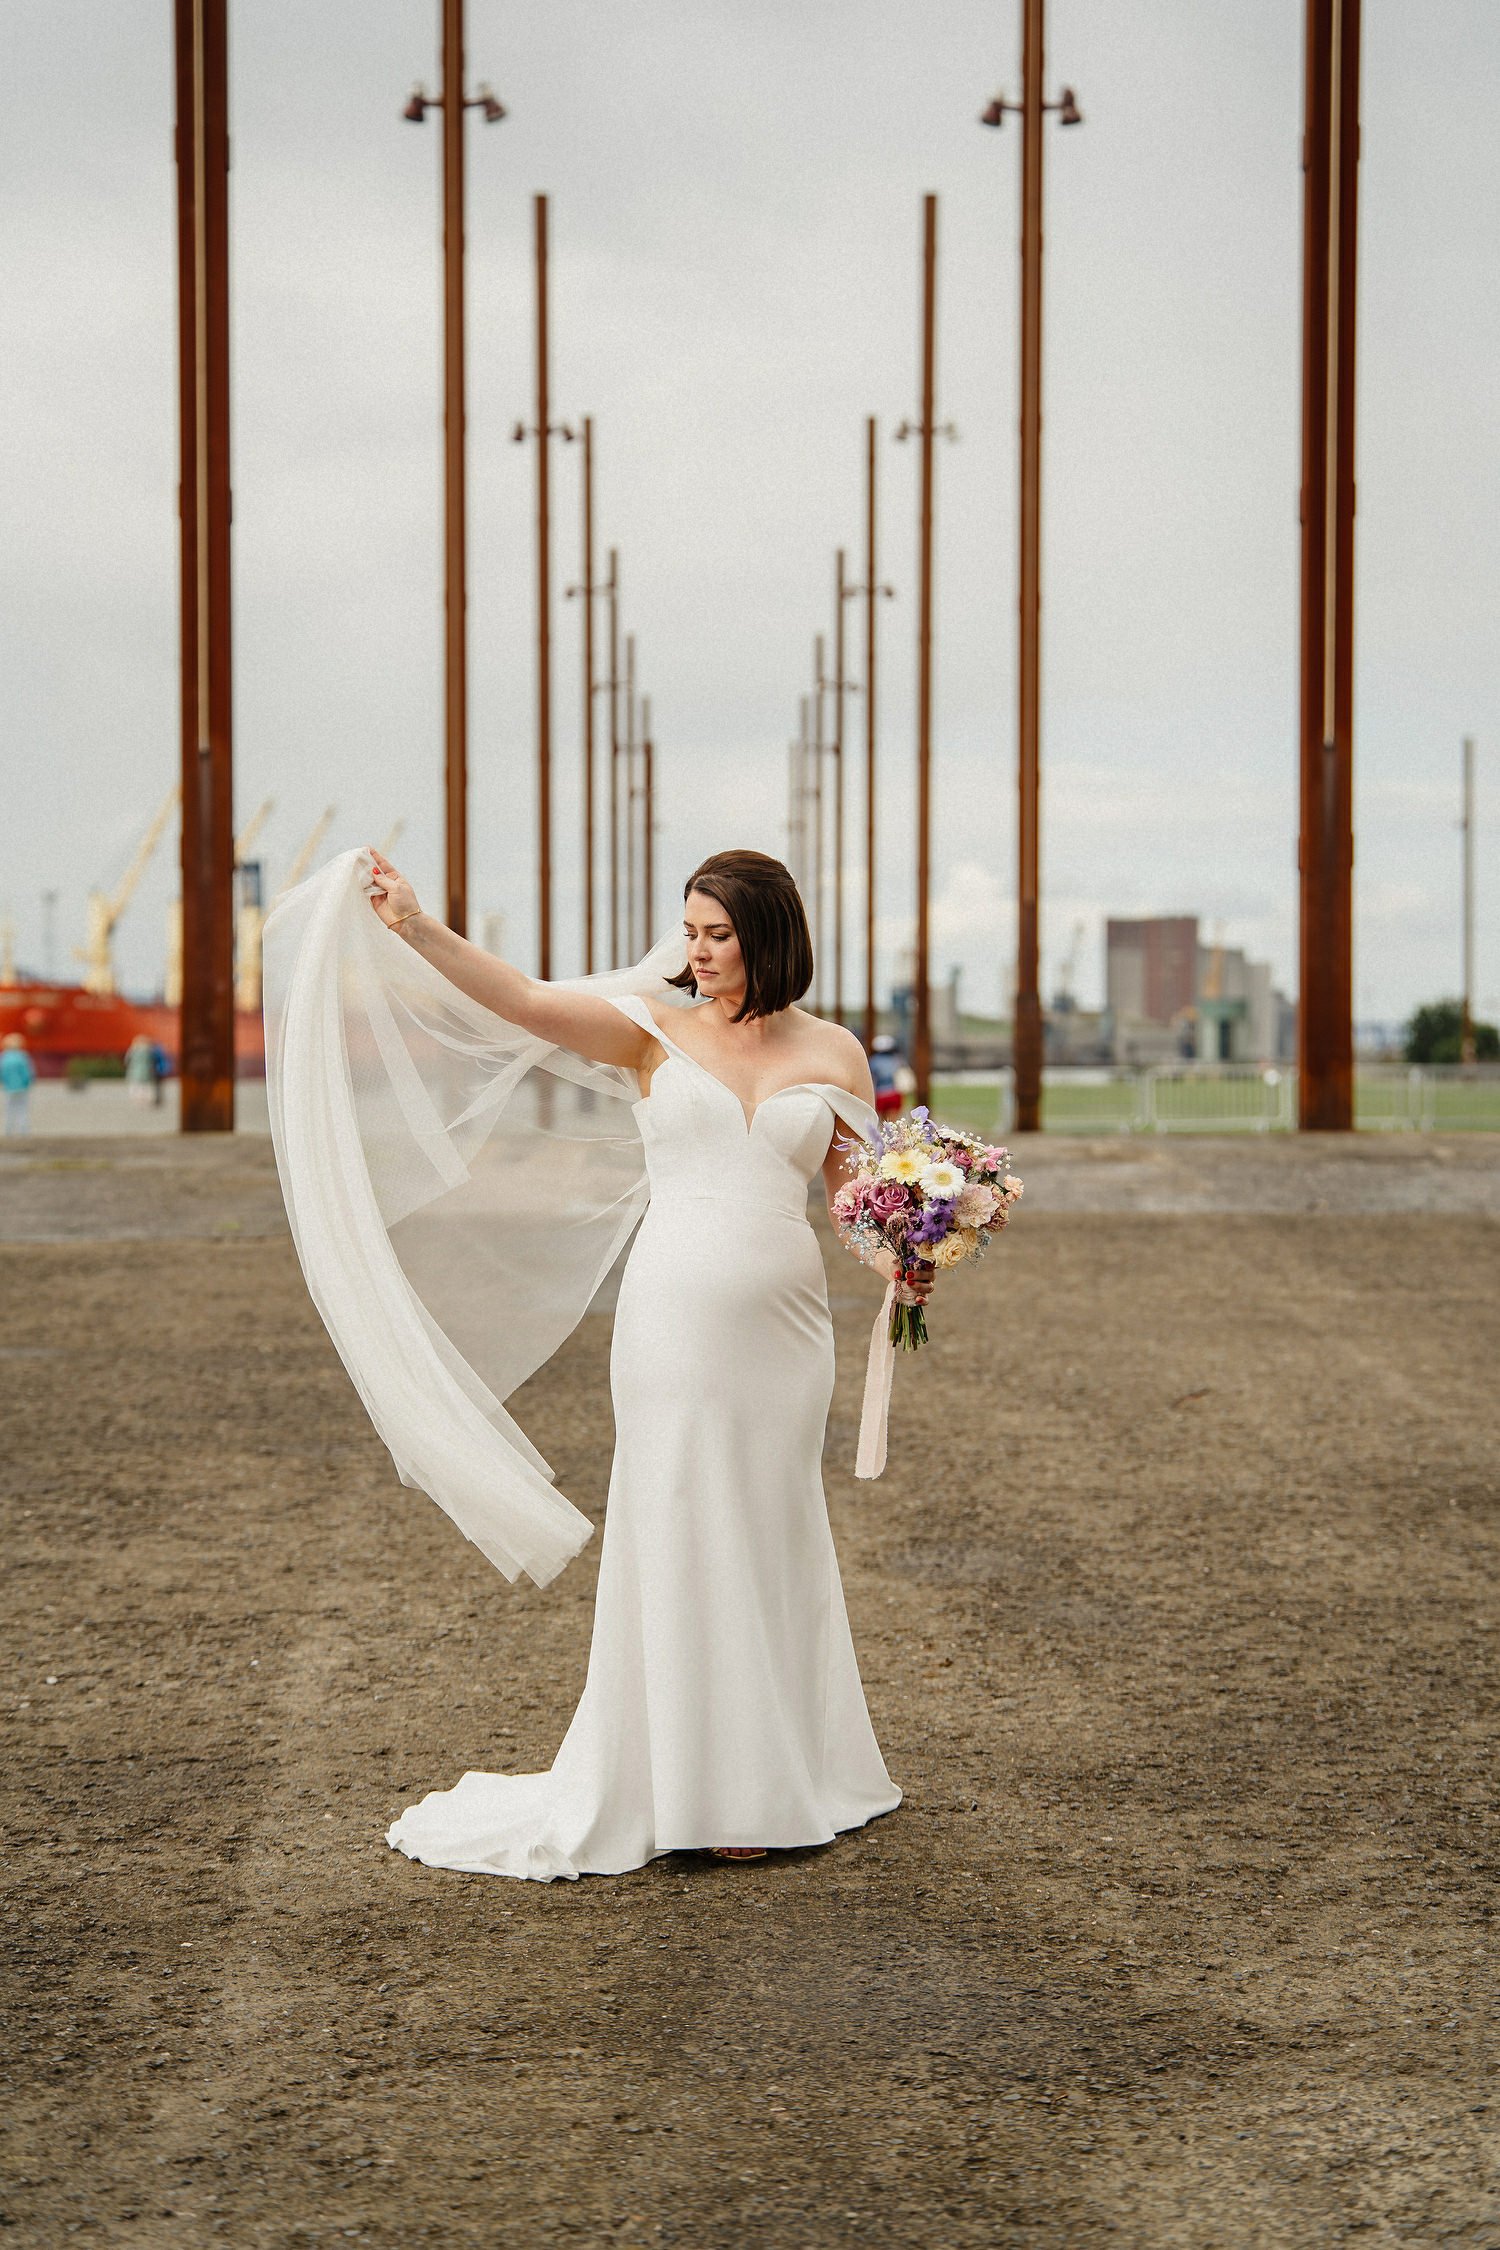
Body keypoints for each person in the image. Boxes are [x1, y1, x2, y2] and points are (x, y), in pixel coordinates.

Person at [265, 844, 930, 1881]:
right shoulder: (649, 1030)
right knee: (677, 1517)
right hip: (671, 1318)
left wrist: (915, 1238)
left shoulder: (837, 1052)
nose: (700, 954)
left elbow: (857, 1191)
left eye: (720, 936)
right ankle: (691, 1786)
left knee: (769, 1520)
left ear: (770, 938)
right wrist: (414, 925)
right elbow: (525, 1002)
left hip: (787, 1332)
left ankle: (780, 1764)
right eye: (693, 932)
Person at [1, 1033, 35, 1136]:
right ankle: (23, 1130)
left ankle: (8, 1129)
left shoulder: (4, 1058)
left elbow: (2, 1073)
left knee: (9, 1109)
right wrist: (28, 1083)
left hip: (9, 1088)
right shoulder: (22, 1057)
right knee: (22, 1109)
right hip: (21, 1087)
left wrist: (4, 1083)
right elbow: (27, 1073)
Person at [868, 1032, 904, 1117]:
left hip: (880, 1094)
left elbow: (872, 1078)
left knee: (882, 1122)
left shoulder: (874, 1061)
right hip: (894, 1093)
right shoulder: (897, 1059)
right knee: (893, 1123)